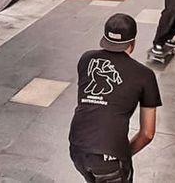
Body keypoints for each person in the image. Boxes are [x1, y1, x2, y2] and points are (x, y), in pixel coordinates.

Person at [69, 13, 162, 183]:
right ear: (132, 44)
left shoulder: (86, 59)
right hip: (109, 157)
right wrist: (123, 153)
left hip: (77, 148)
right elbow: (147, 133)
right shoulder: (145, 75)